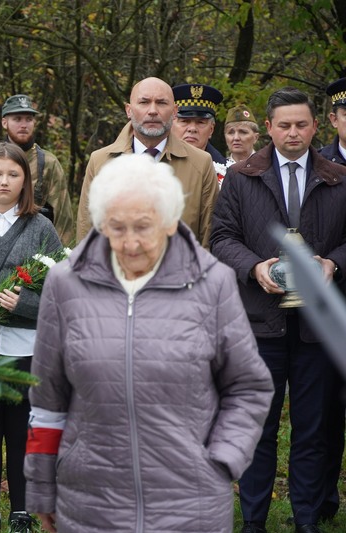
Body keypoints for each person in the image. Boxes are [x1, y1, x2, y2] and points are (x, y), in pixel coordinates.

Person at [26, 153, 273, 532]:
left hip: (191, 505)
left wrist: (222, 460)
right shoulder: (64, 283)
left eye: (143, 227)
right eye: (116, 227)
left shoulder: (213, 284)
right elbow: (47, 399)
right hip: (89, 503)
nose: (130, 243)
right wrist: (42, 488)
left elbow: (248, 387)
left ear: (170, 222)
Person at [210, 86, 346, 533]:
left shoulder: (338, 178)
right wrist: (255, 267)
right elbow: (221, 238)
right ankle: (253, 520)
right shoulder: (242, 177)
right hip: (258, 324)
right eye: (284, 125)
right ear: (268, 128)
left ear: (316, 126)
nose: (293, 133)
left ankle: (305, 519)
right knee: (258, 429)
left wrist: (333, 263)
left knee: (312, 429)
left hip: (316, 327)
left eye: (301, 124)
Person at [0, 142, 60, 533]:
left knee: (22, 434)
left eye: (14, 174)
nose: (5, 181)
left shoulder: (41, 227)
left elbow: (60, 295)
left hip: (28, 350)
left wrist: (24, 303)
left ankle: (22, 511)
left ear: (26, 180)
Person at [76, 77, 219, 247]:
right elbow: (87, 231)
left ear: (174, 112)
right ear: (129, 110)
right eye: (144, 102)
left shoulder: (201, 164)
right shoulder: (100, 161)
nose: (152, 111)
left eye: (161, 103)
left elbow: (209, 237)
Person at [0, 94, 75, 246]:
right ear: (4, 122)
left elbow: (63, 217)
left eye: (28, 119)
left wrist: (59, 260)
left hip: (36, 251)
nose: (24, 125)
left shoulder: (48, 163)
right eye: (17, 119)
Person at [316, 77, 346, 523]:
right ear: (335, 118)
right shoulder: (317, 165)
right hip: (333, 303)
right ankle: (323, 497)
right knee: (326, 409)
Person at [171, 83, 227, 165]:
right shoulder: (154, 164)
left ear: (211, 129)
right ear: (171, 125)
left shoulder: (227, 171)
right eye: (185, 121)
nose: (192, 129)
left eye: (200, 122)